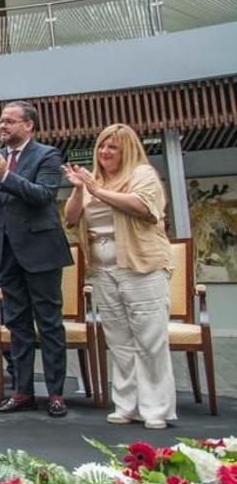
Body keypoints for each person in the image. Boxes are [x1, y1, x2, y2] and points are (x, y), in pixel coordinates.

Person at [63, 123, 176, 430]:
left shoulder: (142, 174)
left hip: (141, 267)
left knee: (150, 340)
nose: (104, 152)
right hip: (102, 270)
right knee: (120, 342)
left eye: (112, 147)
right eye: (101, 146)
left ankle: (156, 408)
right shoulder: (92, 180)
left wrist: (98, 191)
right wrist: (79, 187)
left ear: (127, 150)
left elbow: (143, 207)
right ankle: (127, 404)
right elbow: (71, 218)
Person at [0, 100, 74, 418]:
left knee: (49, 323)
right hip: (7, 251)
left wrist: (4, 179)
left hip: (41, 250)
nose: (2, 126)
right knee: (17, 325)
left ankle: (56, 393)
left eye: (9, 121)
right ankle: (23, 391)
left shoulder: (47, 155)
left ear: (28, 125)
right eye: (0, 121)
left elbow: (43, 195)